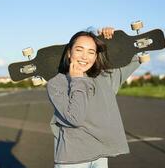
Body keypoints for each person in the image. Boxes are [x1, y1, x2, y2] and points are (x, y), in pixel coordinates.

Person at [46, 27, 143, 168]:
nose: (85, 57)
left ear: (96, 56)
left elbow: (133, 56)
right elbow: (75, 118)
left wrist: (111, 40)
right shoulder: (57, 82)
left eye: (91, 52)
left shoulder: (104, 77)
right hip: (73, 159)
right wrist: (77, 79)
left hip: (100, 156)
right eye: (79, 50)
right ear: (69, 52)